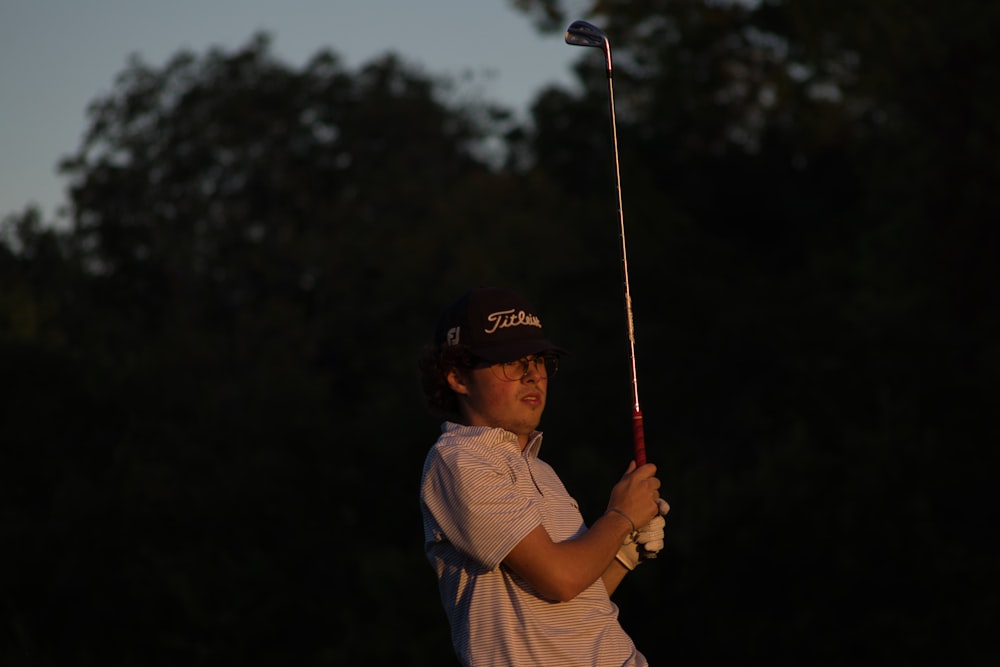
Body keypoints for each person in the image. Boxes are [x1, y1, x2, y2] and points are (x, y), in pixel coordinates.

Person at [418, 287, 669, 667]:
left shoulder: (540, 470)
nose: (533, 375)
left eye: (538, 361)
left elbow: (578, 598)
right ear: (457, 376)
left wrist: (623, 552)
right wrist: (620, 517)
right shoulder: (458, 460)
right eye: (510, 363)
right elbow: (560, 579)